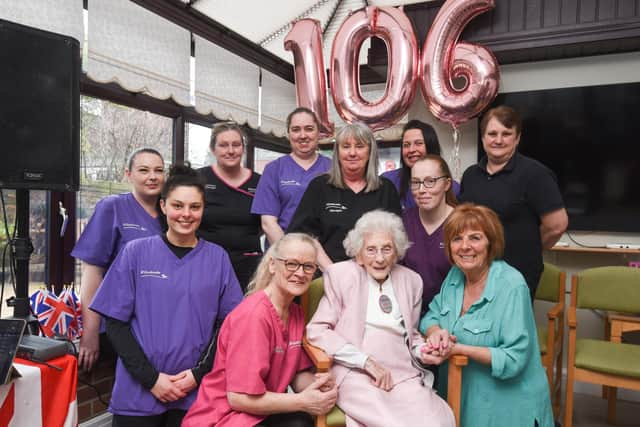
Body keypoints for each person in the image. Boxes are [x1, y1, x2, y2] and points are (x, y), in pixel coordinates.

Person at [90, 163, 243, 427]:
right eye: (177, 206)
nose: (186, 214)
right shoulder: (135, 253)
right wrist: (151, 379)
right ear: (163, 206)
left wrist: (197, 374)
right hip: (138, 392)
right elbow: (115, 323)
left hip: (195, 393)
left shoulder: (217, 259)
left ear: (203, 210)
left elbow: (228, 326)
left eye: (195, 207)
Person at [306, 211, 455, 427]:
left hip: (403, 375)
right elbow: (318, 331)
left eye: (387, 249)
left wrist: (424, 351)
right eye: (371, 250)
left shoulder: (411, 281)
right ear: (358, 254)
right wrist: (365, 362)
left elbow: (411, 335)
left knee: (437, 421)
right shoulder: (341, 276)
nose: (379, 258)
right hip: (357, 375)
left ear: (397, 252)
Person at [182, 233, 338, 427]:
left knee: (300, 423)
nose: (300, 273)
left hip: (260, 412)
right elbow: (239, 398)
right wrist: (303, 401)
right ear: (272, 264)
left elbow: (295, 372)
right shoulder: (253, 316)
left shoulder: (295, 312)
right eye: (291, 263)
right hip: (224, 417)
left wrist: (318, 386)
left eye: (308, 266)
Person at [420, 203, 554, 427]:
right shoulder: (455, 276)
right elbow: (430, 317)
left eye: (475, 238)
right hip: (458, 396)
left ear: (490, 243)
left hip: (507, 407)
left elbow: (513, 359)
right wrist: (436, 333)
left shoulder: (511, 285)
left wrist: (459, 349)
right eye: (456, 239)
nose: (465, 247)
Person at [459, 105, 568, 299]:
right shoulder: (470, 176)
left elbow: (557, 225)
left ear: (517, 138)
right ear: (483, 138)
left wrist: (529, 247)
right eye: (492, 133)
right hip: (476, 272)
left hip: (518, 274)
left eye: (506, 133)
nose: (498, 140)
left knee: (509, 328)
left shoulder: (535, 174)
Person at [72, 147, 165, 372]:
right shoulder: (112, 207)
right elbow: (92, 273)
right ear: (128, 174)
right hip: (120, 324)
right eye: (144, 170)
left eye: (159, 170)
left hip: (159, 323)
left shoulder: (171, 211)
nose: (152, 176)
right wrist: (91, 333)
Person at [288, 122, 402, 270]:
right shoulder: (320, 186)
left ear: (370, 152)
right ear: (338, 152)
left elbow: (396, 241)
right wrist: (333, 272)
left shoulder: (386, 189)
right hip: (327, 274)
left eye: (360, 146)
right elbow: (303, 235)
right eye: (346, 146)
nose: (352, 153)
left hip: (375, 275)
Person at [251, 107, 331, 246]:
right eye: (295, 129)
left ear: (318, 133)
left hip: (324, 252)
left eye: (309, 129)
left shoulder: (333, 168)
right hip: (282, 251)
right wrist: (289, 254)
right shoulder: (274, 169)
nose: (302, 135)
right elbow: (268, 223)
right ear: (288, 134)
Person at [198, 122, 262, 292]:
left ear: (243, 148)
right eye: (223, 145)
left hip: (249, 266)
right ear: (213, 149)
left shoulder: (260, 182)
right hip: (205, 263)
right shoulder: (198, 178)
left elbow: (267, 222)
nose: (231, 151)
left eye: (236, 145)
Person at [402, 155, 457, 316]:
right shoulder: (403, 222)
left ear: (447, 184)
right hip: (411, 315)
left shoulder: (463, 224)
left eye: (430, 181)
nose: (421, 190)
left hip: (452, 318)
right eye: (416, 182)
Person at [382, 120, 460, 210]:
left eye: (418, 143)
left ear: (431, 146)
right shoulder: (388, 181)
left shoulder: (453, 188)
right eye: (406, 145)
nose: (411, 150)